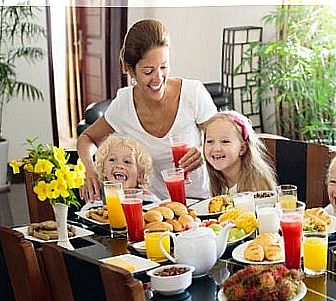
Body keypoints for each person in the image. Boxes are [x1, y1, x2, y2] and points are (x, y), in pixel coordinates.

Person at [77, 19, 217, 202]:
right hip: (153, 210)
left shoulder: (193, 93)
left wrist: (203, 149)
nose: (158, 78)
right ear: (131, 70)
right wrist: (90, 169)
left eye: (164, 67)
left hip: (202, 203)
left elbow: (223, 135)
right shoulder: (124, 104)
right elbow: (86, 139)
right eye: (148, 71)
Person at [203, 110, 277, 195]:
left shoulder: (256, 187)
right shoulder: (217, 181)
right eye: (210, 141)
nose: (216, 148)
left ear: (242, 148)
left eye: (225, 141)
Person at [94, 133, 159, 203]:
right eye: (112, 160)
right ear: (104, 171)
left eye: (127, 162)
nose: (119, 165)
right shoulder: (95, 205)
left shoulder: (150, 202)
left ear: (140, 175)